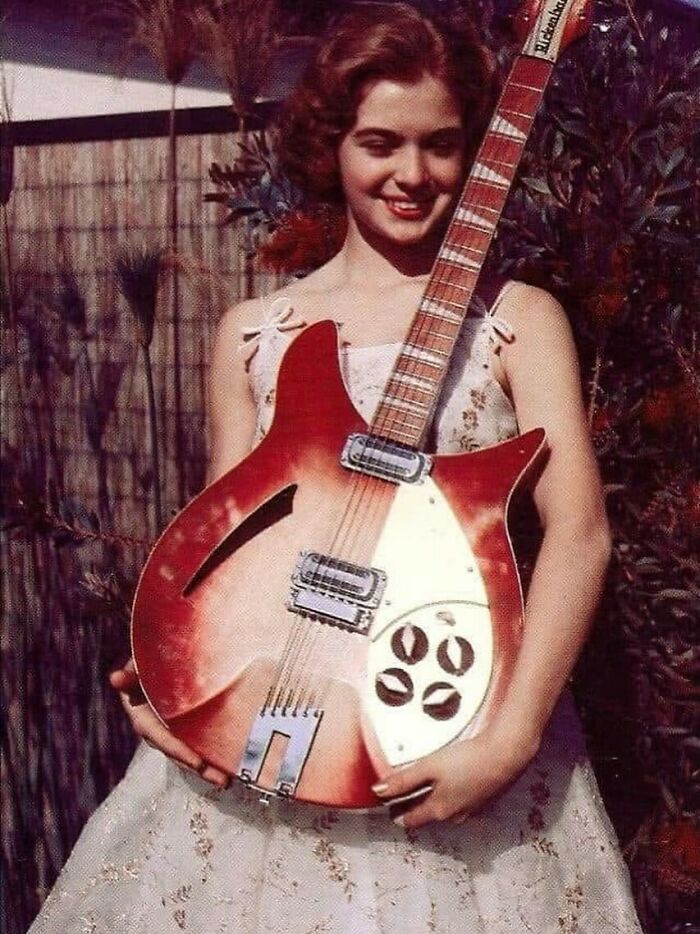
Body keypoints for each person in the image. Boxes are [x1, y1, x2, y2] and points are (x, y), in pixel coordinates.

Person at [30, 3, 643, 931]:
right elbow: (225, 547)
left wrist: (511, 740)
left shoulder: (518, 319)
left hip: (450, 721)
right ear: (332, 144)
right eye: (380, 143)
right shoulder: (258, 332)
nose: (412, 174)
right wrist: (168, 672)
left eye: (441, 144)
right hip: (273, 714)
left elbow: (581, 533)